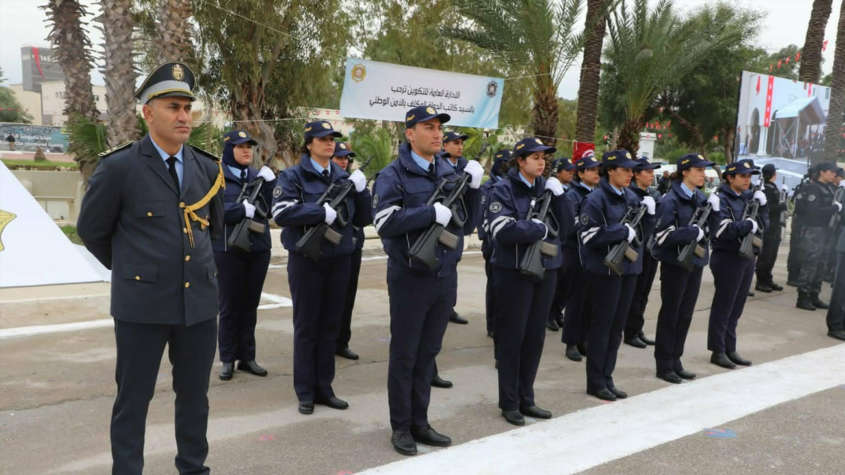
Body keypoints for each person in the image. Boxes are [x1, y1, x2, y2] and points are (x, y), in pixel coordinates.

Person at [77, 62, 224, 474]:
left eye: (187, 108)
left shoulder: (207, 167)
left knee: (194, 397)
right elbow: (91, 231)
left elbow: (215, 232)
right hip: (141, 306)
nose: (183, 116)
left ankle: (193, 468)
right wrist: (132, 269)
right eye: (173, 107)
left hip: (198, 305)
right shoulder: (120, 167)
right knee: (133, 399)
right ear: (148, 112)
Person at [372, 106, 482, 456]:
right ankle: (401, 427)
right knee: (405, 355)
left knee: (428, 354)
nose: (437, 134)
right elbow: (384, 222)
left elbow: (467, 225)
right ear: (410, 134)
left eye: (439, 128)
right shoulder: (393, 175)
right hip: (409, 277)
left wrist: (474, 189)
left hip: (443, 276)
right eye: (429, 127)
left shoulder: (448, 172)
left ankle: (420, 421)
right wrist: (428, 213)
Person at [272, 120, 373, 415]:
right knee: (307, 327)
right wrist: (318, 212)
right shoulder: (293, 176)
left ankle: (325, 387)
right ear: (309, 144)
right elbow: (280, 212)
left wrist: (362, 192)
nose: (329, 143)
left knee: (330, 326)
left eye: (332, 139)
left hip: (339, 259)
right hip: (307, 260)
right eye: (323, 139)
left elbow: (363, 219)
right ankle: (305, 391)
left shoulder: (344, 178)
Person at [484, 137, 567, 425]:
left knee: (535, 337)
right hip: (514, 271)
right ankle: (509, 402)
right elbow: (502, 230)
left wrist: (561, 197)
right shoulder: (503, 189)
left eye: (544, 157)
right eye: (535, 157)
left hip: (546, 269)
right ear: (520, 161)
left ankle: (526, 398)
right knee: (512, 337)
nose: (541, 162)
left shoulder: (549, 189)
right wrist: (536, 228)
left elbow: (567, 228)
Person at [579, 150, 654, 401]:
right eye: (625, 169)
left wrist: (649, 216)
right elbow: (588, 236)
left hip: (629, 270)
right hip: (605, 271)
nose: (630, 174)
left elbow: (643, 236)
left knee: (616, 328)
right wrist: (620, 231)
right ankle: (596, 381)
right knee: (602, 327)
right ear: (611, 170)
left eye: (632, 170)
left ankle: (607, 376)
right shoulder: (596, 199)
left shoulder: (631, 197)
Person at [214, 130, 276, 381]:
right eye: (240, 147)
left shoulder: (257, 176)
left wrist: (270, 185)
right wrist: (239, 210)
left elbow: (270, 210)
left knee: (250, 305)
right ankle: (228, 358)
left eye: (249, 146)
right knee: (229, 306)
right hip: (228, 249)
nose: (246, 150)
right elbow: (212, 211)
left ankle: (247, 356)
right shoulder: (216, 177)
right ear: (229, 150)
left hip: (258, 247)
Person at [652, 154, 717, 383]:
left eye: (703, 170)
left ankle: (676, 359)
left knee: (686, 314)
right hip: (675, 265)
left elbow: (711, 231)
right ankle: (664, 363)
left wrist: (714, 215)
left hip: (695, 263)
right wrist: (691, 232)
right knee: (671, 313)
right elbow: (661, 237)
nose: (703, 174)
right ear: (685, 172)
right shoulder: (670, 200)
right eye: (698, 170)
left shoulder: (700, 198)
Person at [707, 159, 767, 369]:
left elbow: (763, 226)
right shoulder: (721, 199)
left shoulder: (749, 197)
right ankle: (718, 350)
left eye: (749, 176)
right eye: (742, 176)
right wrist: (747, 225)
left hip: (746, 255)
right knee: (724, 305)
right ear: (730, 177)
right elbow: (723, 230)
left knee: (737, 305)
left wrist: (763, 207)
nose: (747, 180)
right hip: (727, 257)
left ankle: (730, 347)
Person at [560, 151, 601, 362]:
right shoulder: (573, 195)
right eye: (591, 170)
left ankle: (583, 338)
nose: (596, 173)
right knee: (576, 299)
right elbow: (570, 224)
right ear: (581, 173)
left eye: (597, 170)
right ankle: (571, 342)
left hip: (592, 253)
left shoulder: (597, 194)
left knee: (590, 299)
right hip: (575, 251)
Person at [623, 156, 661, 348]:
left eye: (652, 171)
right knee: (634, 293)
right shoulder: (631, 195)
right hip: (635, 251)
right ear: (636, 174)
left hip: (650, 250)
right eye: (647, 171)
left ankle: (637, 329)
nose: (651, 175)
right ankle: (630, 331)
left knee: (644, 292)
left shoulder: (652, 195)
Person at [792, 162, 840, 310]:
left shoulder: (828, 188)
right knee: (810, 263)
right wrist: (834, 208)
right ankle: (803, 296)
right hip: (814, 230)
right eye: (831, 172)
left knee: (821, 263)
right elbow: (813, 212)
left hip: (825, 230)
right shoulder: (813, 188)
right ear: (822, 172)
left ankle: (814, 294)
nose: (834, 175)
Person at [332, 142, 363, 361]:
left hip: (353, 246)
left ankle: (342, 342)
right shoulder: (329, 183)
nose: (344, 162)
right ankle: (327, 342)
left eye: (346, 158)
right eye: (339, 157)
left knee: (348, 297)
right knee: (331, 300)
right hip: (332, 247)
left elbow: (364, 216)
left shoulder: (353, 182)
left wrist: (362, 192)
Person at [479, 150, 511, 338]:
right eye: (505, 161)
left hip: (507, 243)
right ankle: (492, 324)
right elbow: (481, 214)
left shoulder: (510, 185)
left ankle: (503, 322)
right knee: (493, 286)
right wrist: (486, 239)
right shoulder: (488, 187)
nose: (508, 164)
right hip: (492, 242)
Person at [440, 129, 471, 325]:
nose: (460, 146)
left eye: (461, 143)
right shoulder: (438, 165)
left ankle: (449, 307)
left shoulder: (466, 166)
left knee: (452, 266)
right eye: (455, 143)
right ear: (445, 145)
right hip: (441, 223)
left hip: (457, 223)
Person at [546, 157, 576, 332]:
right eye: (567, 170)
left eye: (572, 170)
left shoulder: (568, 191)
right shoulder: (550, 190)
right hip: (556, 241)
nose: (571, 173)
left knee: (566, 283)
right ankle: (550, 314)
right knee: (557, 282)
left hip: (567, 242)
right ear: (558, 172)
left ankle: (557, 312)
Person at [754, 164, 787, 293]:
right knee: (765, 255)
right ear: (773, 174)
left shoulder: (772, 187)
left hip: (775, 226)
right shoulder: (765, 188)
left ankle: (768, 279)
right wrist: (781, 207)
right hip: (769, 227)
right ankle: (761, 281)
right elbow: (767, 209)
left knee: (772, 255)